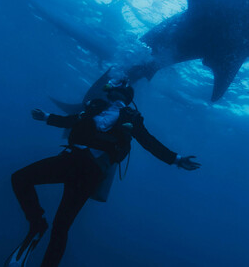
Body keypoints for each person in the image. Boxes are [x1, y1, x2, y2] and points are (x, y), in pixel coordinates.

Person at [10, 78, 201, 267]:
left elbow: (148, 141)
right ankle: (37, 223)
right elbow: (71, 120)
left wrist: (176, 159)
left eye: (117, 88)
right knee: (19, 178)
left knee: (61, 227)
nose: (111, 90)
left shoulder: (131, 117)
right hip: (70, 159)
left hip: (91, 171)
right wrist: (46, 117)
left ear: (126, 95)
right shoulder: (95, 106)